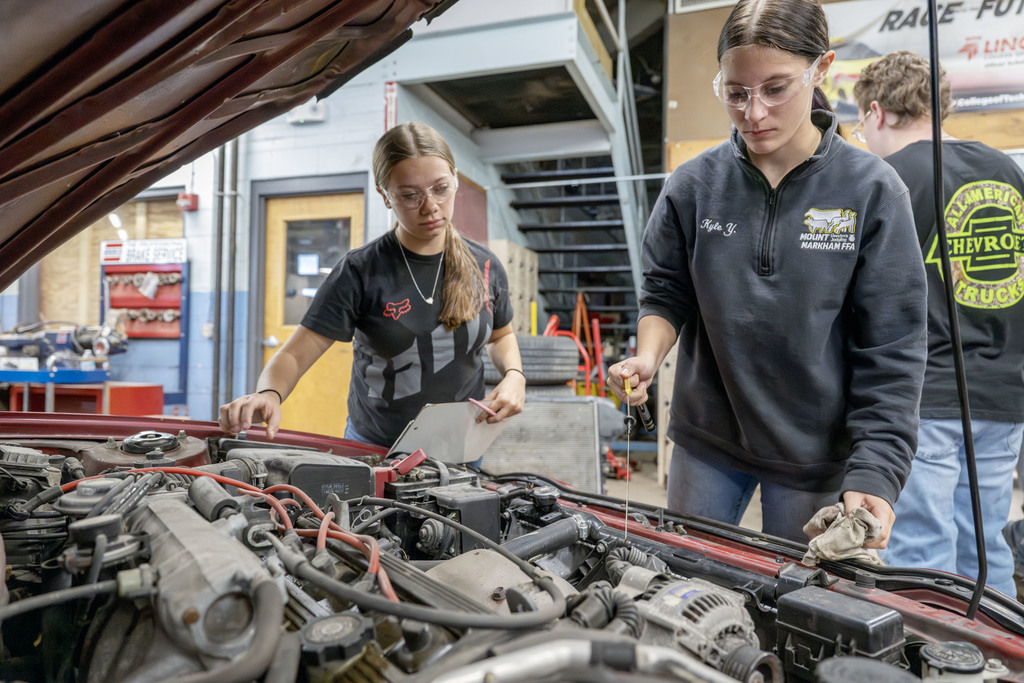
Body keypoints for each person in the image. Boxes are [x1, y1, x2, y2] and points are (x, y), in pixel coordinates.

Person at [607, 0, 928, 544]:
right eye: (736, 93)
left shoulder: (872, 191)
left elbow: (892, 346)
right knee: (687, 584)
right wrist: (647, 354)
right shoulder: (692, 186)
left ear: (820, 69)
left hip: (815, 456)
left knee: (801, 609)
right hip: (708, 442)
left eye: (776, 88)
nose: (753, 112)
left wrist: (877, 467)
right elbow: (665, 292)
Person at [219, 122, 526, 447]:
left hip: (463, 444)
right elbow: (295, 355)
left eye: (441, 188)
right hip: (377, 448)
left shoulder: (485, 265)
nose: (430, 206)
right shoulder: (360, 270)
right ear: (384, 196)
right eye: (410, 196)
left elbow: (501, 335)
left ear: (454, 179)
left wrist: (514, 376)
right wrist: (269, 393)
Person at [853, 51, 1024, 597]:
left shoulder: (888, 178)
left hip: (923, 396)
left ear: (876, 112)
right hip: (1003, 394)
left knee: (922, 555)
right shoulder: (1007, 170)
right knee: (986, 549)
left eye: (861, 125)